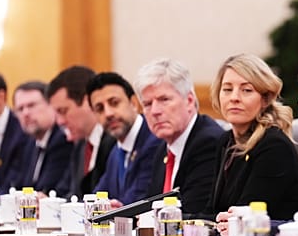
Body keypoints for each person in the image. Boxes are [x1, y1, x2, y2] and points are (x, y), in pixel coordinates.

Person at [208, 54, 298, 227]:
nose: (234, 97)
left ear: (265, 99)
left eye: (246, 90)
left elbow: (245, 213)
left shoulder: (273, 145)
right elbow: (213, 211)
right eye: (227, 89)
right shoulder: (226, 142)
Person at [134, 58, 224, 217]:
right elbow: (152, 205)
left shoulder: (208, 142)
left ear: (189, 101)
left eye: (164, 100)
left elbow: (194, 213)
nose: (155, 111)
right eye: (147, 104)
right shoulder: (163, 147)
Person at [87, 72, 161, 205]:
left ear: (133, 103)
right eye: (100, 109)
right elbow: (96, 198)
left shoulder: (154, 140)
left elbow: (137, 203)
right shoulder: (116, 150)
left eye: (114, 103)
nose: (108, 113)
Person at [46, 66, 116, 198]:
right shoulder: (80, 146)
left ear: (87, 102)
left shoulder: (114, 142)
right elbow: (68, 194)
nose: (60, 121)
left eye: (63, 111)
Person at [12, 81, 72, 196]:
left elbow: (47, 189)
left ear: (51, 105)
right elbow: (19, 185)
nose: (25, 113)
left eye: (31, 105)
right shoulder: (28, 143)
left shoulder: (63, 139)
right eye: (20, 109)